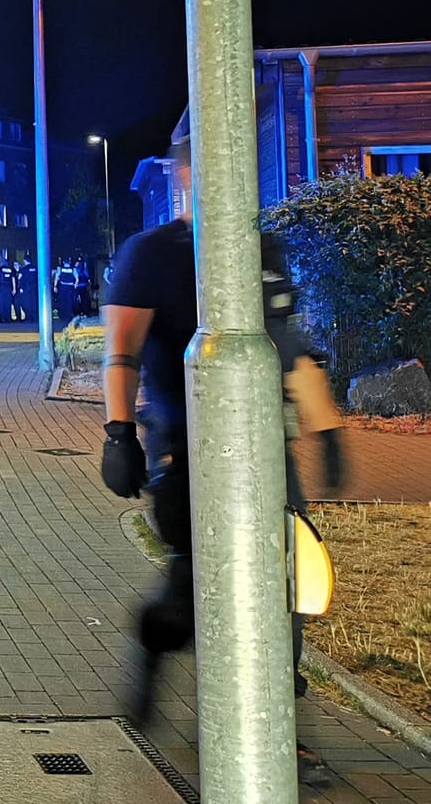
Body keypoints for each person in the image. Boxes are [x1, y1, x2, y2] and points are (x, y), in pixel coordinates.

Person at [99, 216, 345, 781]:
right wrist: (119, 434)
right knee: (190, 597)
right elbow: (123, 349)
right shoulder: (152, 253)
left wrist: (327, 429)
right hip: (187, 451)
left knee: (283, 584)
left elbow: (290, 342)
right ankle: (157, 644)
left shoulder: (264, 246)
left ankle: (273, 730)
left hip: (267, 449)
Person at [54, 257, 80, 322]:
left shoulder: (60, 269)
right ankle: (69, 316)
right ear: (69, 262)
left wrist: (55, 286)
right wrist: (75, 285)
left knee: (62, 301)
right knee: (69, 302)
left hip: (62, 287)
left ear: (63, 262)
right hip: (70, 287)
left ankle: (62, 316)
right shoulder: (73, 269)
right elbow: (77, 278)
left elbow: (56, 278)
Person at [0, 259, 19, 325]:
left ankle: (2, 318)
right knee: (8, 304)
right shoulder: (11, 270)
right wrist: (14, 289)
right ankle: (8, 318)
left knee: (1, 304)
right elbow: (13, 279)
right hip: (9, 288)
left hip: (1, 288)